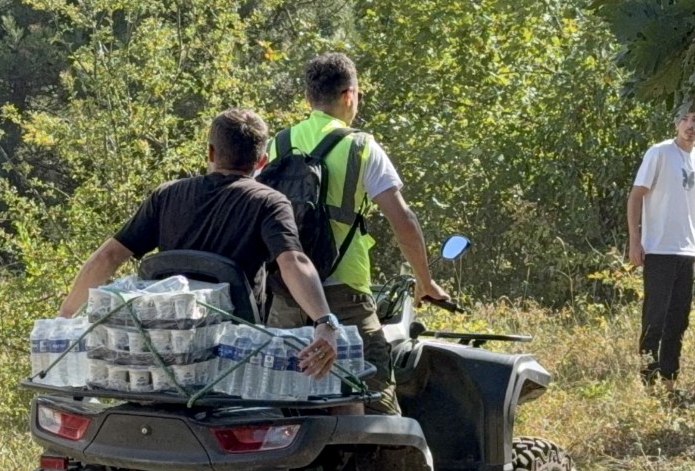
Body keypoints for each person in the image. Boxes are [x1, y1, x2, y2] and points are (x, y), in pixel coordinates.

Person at [58, 108, 338, 379]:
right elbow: (293, 262)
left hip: (164, 355)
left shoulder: (166, 196)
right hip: (233, 359)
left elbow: (109, 256)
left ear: (211, 152)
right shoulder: (269, 202)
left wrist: (65, 318)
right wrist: (324, 322)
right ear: (262, 161)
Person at [264, 52, 450, 415]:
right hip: (344, 293)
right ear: (350, 95)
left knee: (283, 404)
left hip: (286, 295)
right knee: (375, 399)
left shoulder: (278, 145)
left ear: (309, 98)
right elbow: (404, 221)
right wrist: (425, 281)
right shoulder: (362, 146)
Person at [627, 103, 695, 392]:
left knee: (679, 321)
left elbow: (693, 207)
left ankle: (670, 382)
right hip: (658, 249)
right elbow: (636, 195)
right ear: (676, 124)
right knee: (655, 320)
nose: (690, 125)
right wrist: (635, 240)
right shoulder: (659, 152)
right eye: (684, 119)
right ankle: (647, 384)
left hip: (685, 252)